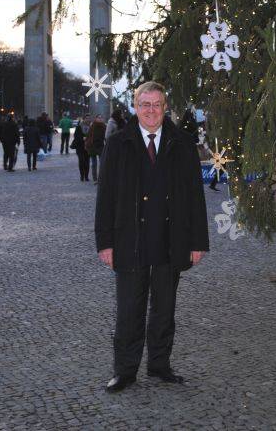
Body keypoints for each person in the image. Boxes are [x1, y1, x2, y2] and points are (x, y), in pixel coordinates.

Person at [95, 81, 209, 393]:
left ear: (165, 107)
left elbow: (195, 198)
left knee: (164, 309)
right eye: (144, 104)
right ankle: (125, 371)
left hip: (170, 240)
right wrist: (105, 243)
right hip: (129, 239)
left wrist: (198, 243)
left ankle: (160, 366)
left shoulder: (183, 143)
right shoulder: (119, 143)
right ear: (135, 107)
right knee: (129, 309)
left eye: (156, 104)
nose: (150, 110)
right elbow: (105, 198)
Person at [85, 114, 106, 183]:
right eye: (98, 118)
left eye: (101, 118)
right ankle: (95, 179)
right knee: (94, 164)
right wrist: (87, 144)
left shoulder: (104, 126)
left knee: (102, 163)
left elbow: (106, 136)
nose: (100, 119)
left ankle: (101, 178)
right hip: (92, 146)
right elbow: (89, 135)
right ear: (96, 118)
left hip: (100, 146)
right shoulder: (92, 126)